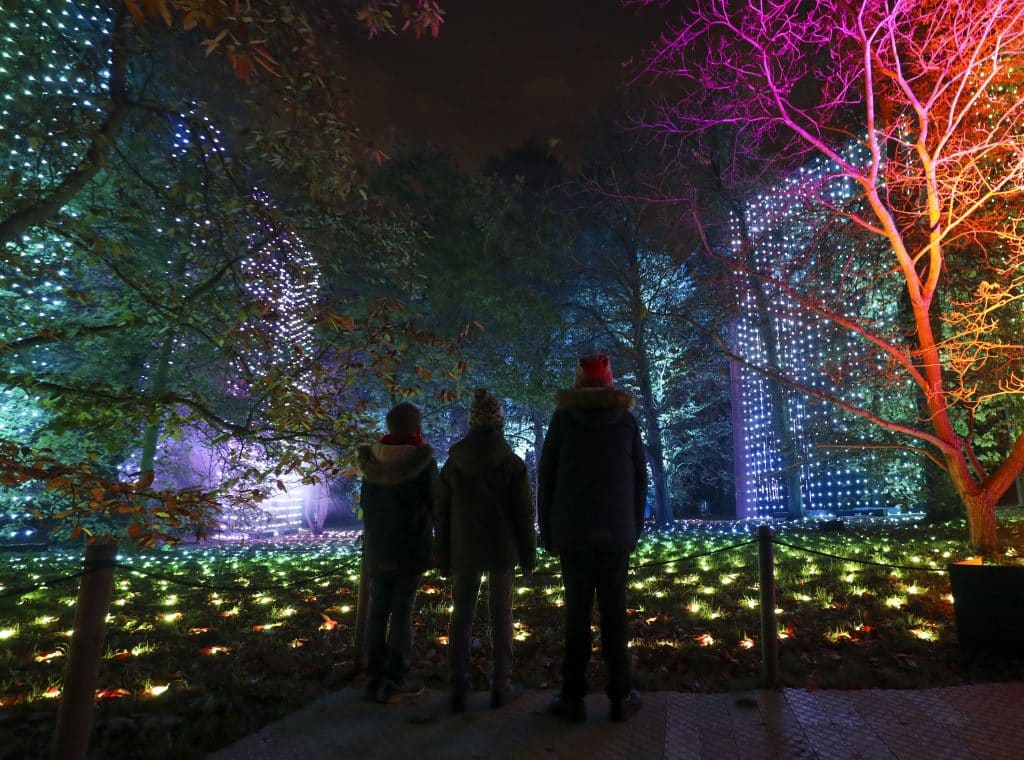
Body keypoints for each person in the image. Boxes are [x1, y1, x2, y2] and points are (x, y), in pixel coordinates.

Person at [538, 354, 647, 723]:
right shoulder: (627, 422)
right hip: (616, 535)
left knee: (577, 614)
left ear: (578, 382)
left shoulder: (563, 420)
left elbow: (547, 478)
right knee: (615, 615)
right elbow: (639, 482)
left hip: (573, 534)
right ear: (610, 382)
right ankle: (620, 694)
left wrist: (548, 531)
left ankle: (573, 697)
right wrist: (633, 528)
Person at [434, 389, 536, 713]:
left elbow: (442, 513)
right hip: (501, 550)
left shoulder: (454, 463)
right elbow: (524, 513)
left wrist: (442, 554)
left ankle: (458, 686)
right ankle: (501, 684)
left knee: (461, 614)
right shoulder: (511, 463)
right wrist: (529, 554)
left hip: (464, 550)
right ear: (499, 421)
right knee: (501, 614)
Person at [357, 401, 437, 703]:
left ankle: (374, 676)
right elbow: (436, 503)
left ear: (388, 427)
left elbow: (366, 504)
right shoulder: (423, 463)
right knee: (402, 613)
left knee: (378, 611)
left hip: (378, 548)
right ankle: (397, 676)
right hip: (411, 547)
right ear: (417, 429)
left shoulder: (372, 462)